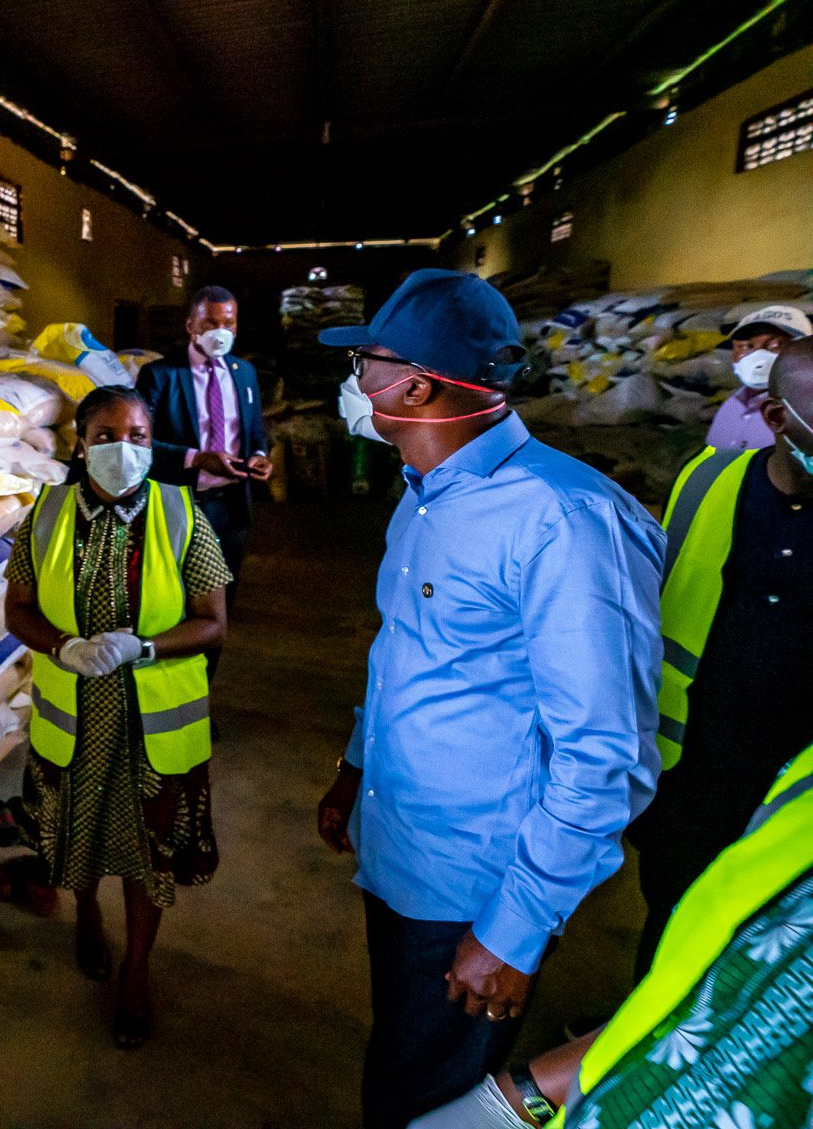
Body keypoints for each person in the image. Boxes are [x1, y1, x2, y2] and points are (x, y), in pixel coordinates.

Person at [312, 269, 665, 1129]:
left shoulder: (563, 520)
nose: (354, 382)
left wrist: (514, 927)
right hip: (401, 848)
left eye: (365, 362)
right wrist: (354, 768)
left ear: (416, 385)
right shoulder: (423, 496)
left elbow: (603, 758)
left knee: (430, 1099)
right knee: (401, 1054)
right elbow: (404, 653)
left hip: (474, 885)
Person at [409, 738, 813, 1128]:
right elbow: (695, 998)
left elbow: (597, 754)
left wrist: (517, 927)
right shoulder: (801, 785)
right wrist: (523, 1096)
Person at [3, 385, 230, 1049]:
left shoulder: (182, 512)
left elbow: (215, 623)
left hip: (151, 726)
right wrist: (62, 645)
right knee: (79, 832)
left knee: (147, 851)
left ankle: (137, 966)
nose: (122, 450)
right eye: (105, 436)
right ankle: (86, 912)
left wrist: (146, 645)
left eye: (136, 436)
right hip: (74, 722)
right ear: (80, 444)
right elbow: (17, 609)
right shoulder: (45, 515)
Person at [625, 334, 813, 978]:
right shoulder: (706, 482)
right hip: (693, 773)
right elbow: (657, 608)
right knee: (670, 922)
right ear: (776, 418)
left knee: (769, 955)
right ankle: (637, 1058)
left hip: (797, 793)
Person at [135, 285, 274, 580]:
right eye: (210, 323)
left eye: (228, 323)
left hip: (232, 504)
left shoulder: (244, 372)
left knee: (226, 582)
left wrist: (259, 456)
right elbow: (138, 443)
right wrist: (196, 459)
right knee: (180, 587)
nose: (220, 331)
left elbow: (254, 430)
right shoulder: (159, 375)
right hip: (182, 501)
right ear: (190, 326)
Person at [706, 305, 810, 450]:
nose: (758, 356)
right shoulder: (732, 405)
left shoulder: (805, 410)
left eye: (775, 345)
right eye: (746, 346)